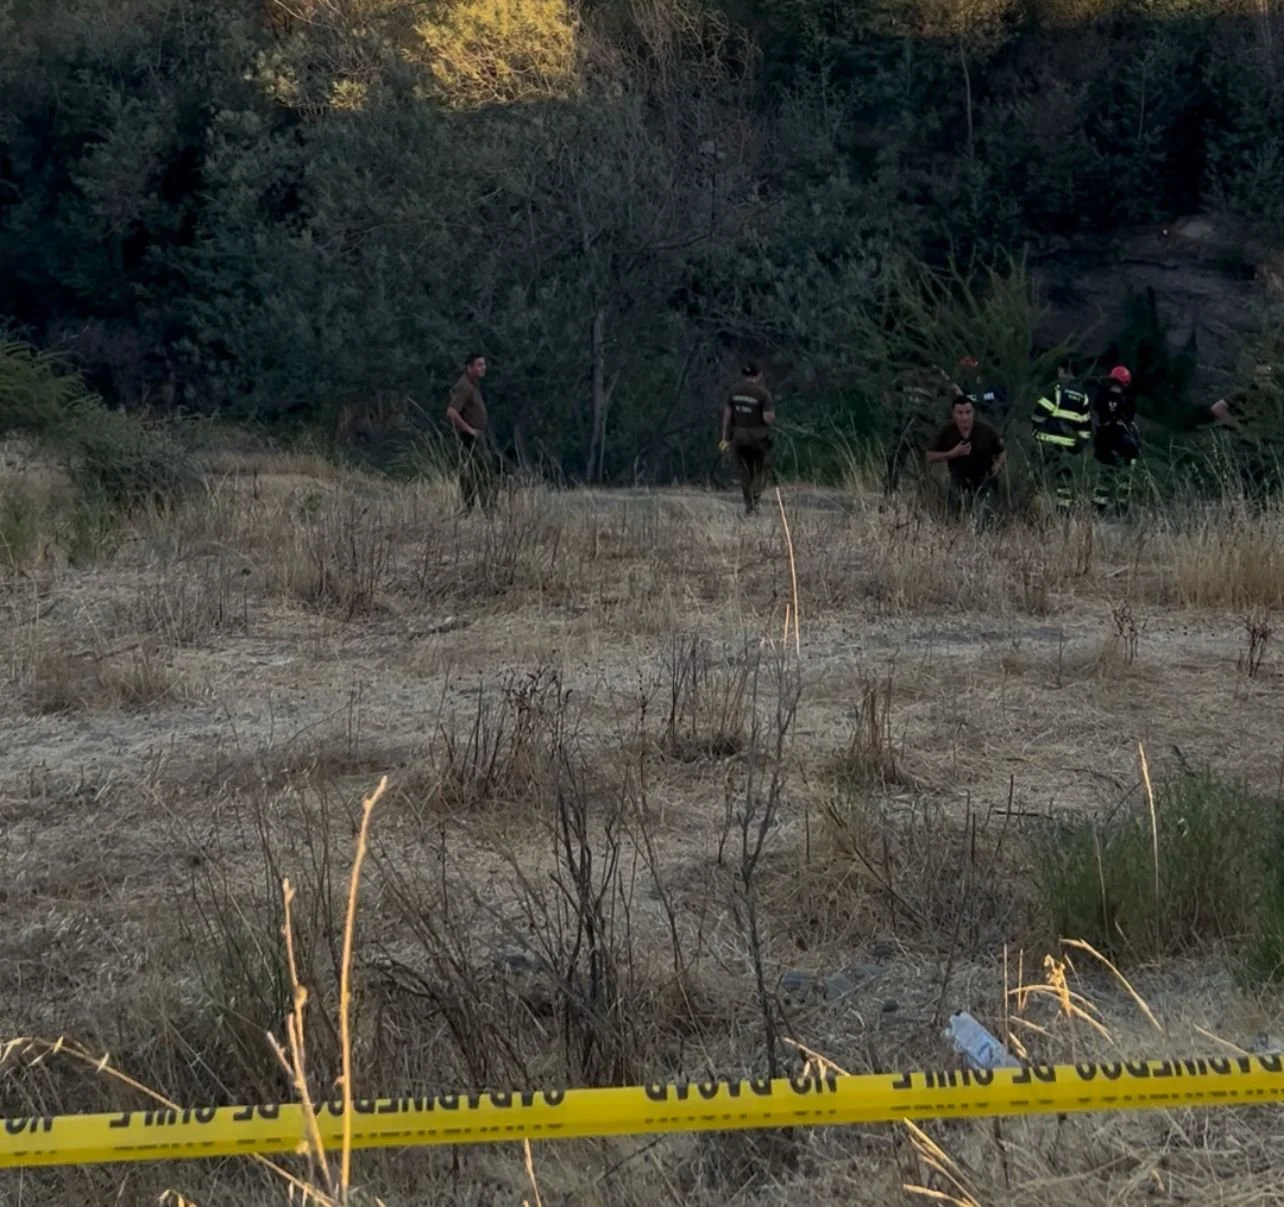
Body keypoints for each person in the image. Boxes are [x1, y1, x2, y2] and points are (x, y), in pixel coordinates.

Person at [926, 394, 1006, 519]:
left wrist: (998, 465)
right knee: (956, 515)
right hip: (959, 481)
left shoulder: (986, 431)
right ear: (954, 413)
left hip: (985, 480)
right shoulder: (947, 432)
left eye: (968, 412)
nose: (965, 417)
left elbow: (1001, 451)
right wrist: (952, 454)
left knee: (983, 516)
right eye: (960, 413)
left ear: (973, 413)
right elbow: (929, 456)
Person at [1032, 358, 1092, 512]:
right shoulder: (1083, 396)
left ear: (1062, 370)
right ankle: (1064, 512)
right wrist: (1081, 444)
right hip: (1069, 447)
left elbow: (1038, 415)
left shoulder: (1056, 390)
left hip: (1047, 443)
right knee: (1064, 481)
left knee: (1037, 478)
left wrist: (1037, 430)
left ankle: (1034, 511)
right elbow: (1085, 426)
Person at [720, 362, 775, 515]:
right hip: (758, 439)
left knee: (744, 472)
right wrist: (772, 418)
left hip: (738, 438)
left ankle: (748, 503)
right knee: (759, 471)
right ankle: (755, 500)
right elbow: (767, 417)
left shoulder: (734, 391)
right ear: (758, 375)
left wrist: (725, 438)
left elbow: (727, 416)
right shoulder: (763, 394)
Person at [444, 352, 496, 514]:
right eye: (479, 365)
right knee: (478, 473)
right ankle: (478, 508)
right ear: (469, 367)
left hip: (478, 436)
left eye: (484, 364)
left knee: (479, 472)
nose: (483, 368)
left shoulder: (473, 384)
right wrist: (469, 429)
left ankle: (484, 507)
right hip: (470, 438)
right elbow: (452, 412)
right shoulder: (464, 386)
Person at [1091, 365, 1139, 515]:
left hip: (1104, 439)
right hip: (1122, 440)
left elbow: (1097, 413)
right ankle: (1121, 506)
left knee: (1105, 473)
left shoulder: (1101, 396)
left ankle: (1098, 505)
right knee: (1125, 474)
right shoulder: (1128, 400)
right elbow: (1130, 420)